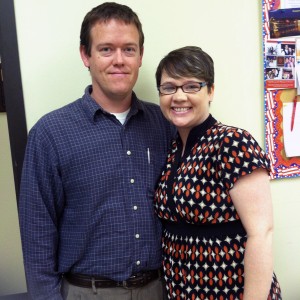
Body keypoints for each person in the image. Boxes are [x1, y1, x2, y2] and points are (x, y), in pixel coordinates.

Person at [18, 3, 174, 300]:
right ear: (85, 55)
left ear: (141, 55)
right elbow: (37, 237)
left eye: (129, 49)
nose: (119, 60)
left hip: (159, 289)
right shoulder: (50, 134)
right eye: (106, 49)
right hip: (87, 292)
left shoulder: (164, 124)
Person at [154, 46, 282, 300]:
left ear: (210, 91)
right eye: (169, 87)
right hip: (183, 291)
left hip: (231, 291)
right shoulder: (171, 149)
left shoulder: (233, 143)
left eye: (191, 86)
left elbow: (262, 232)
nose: (179, 97)